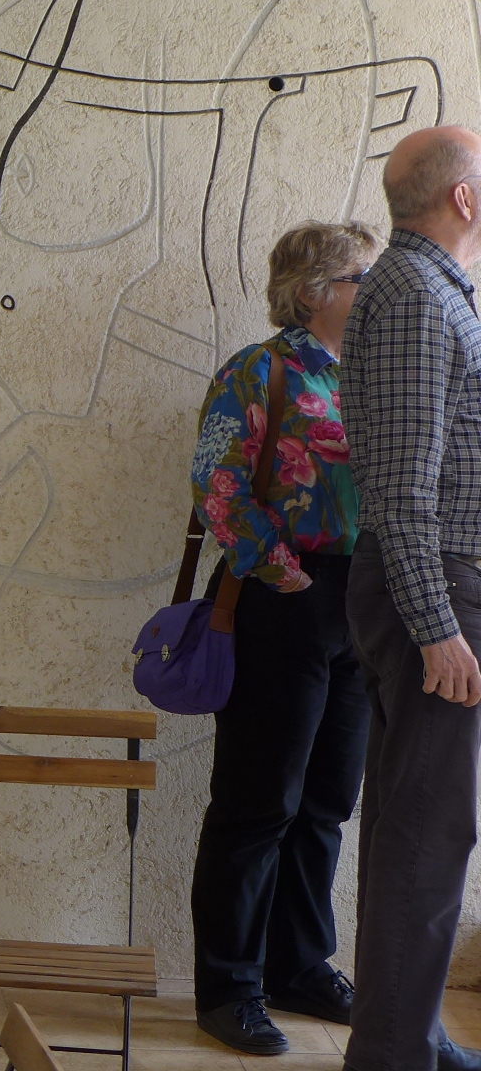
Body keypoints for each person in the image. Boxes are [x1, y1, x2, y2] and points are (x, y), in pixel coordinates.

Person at [187, 221, 380, 1054]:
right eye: (363, 276)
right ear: (314, 291)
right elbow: (217, 486)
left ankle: (299, 965)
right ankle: (229, 985)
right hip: (283, 596)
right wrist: (286, 575)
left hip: (362, 604)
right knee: (258, 800)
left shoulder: (369, 376)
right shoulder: (259, 371)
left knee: (328, 801)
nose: (375, 289)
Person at [342, 124, 481, 1071]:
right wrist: (437, 627)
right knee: (428, 835)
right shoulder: (414, 298)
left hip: (435, 588)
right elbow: (399, 486)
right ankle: (393, 1057)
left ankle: (410, 1036)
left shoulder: (430, 291)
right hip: (434, 594)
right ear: (463, 198)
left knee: (412, 824)